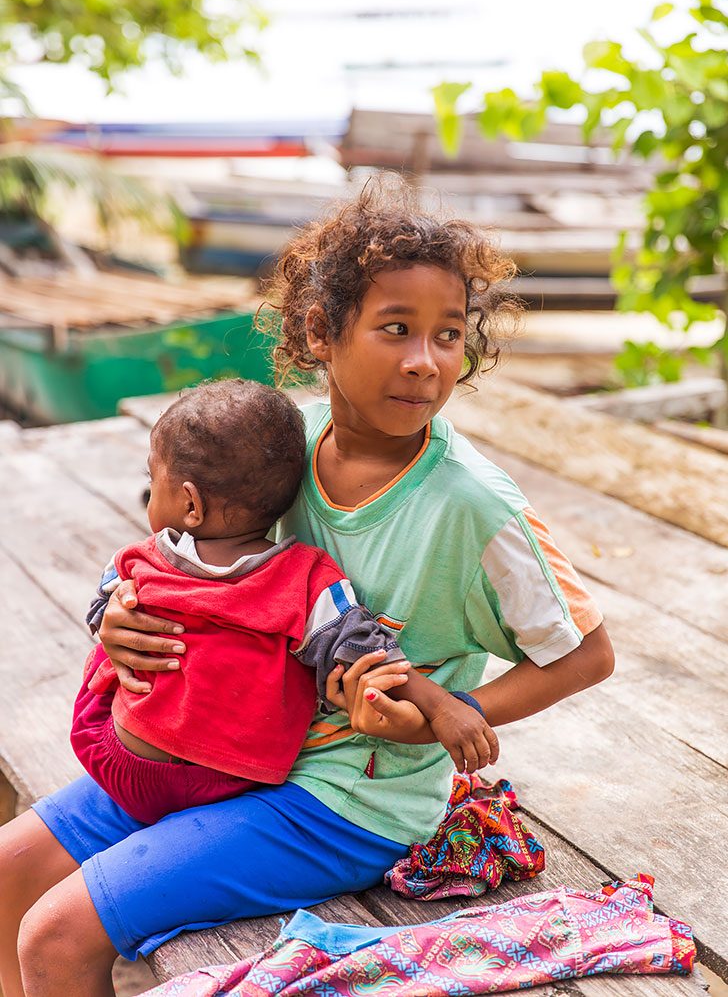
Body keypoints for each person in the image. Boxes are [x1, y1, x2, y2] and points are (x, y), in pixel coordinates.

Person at [0, 184, 614, 997]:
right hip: (221, 750)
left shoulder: (471, 505)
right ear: (322, 333)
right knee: (9, 876)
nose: (424, 361)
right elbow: (184, 549)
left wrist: (442, 721)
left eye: (447, 336)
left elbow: (588, 655)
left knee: (56, 932)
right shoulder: (283, 451)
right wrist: (115, 617)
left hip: (344, 799)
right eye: (396, 329)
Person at [71, 379, 494, 824]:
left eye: (153, 483)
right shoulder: (306, 580)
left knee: (104, 654)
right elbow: (370, 655)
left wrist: (109, 623)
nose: (150, 497)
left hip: (118, 756)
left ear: (191, 505)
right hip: (232, 781)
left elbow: (102, 610)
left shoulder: (141, 560)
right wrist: (445, 706)